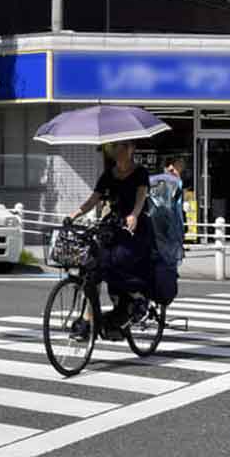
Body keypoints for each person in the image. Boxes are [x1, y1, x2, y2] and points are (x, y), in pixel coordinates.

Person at [67, 141, 152, 339]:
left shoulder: (140, 172)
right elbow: (93, 199)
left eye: (119, 148)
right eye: (113, 149)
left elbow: (141, 197)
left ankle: (136, 299)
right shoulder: (108, 175)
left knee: (119, 262)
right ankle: (88, 320)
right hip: (112, 226)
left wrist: (134, 215)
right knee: (93, 268)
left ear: (130, 149)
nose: (116, 152)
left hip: (135, 228)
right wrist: (73, 215)